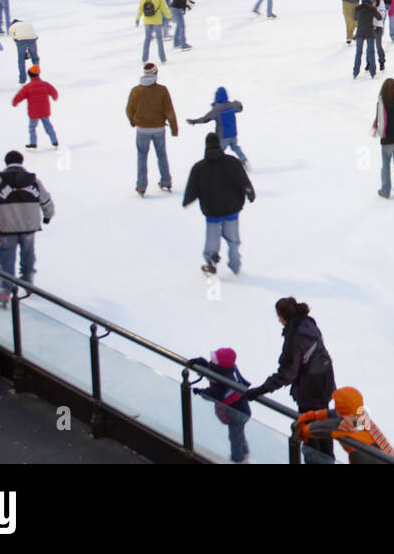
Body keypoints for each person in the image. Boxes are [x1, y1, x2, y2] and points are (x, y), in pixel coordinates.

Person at [245, 298, 338, 463]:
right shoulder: (309, 325)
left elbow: (286, 374)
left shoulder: (296, 337)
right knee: (323, 435)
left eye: (278, 316)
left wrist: (259, 390)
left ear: (283, 316)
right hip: (324, 386)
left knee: (311, 440)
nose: (278, 320)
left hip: (310, 393)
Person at [0, 150, 55, 307]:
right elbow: (46, 201)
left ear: (6, 163)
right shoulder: (34, 181)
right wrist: (47, 216)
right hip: (29, 226)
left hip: (7, 227)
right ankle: (27, 283)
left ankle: (5, 291)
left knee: (7, 258)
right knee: (28, 254)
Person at [183, 132, 256, 276]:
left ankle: (211, 260)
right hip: (232, 208)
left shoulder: (200, 167)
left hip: (212, 211)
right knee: (233, 239)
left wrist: (187, 200)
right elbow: (243, 180)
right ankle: (235, 265)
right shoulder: (233, 162)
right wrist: (249, 192)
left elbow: (192, 187)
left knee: (212, 239)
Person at [189, 348, 252, 463]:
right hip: (239, 409)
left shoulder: (226, 381)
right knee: (239, 434)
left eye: (214, 361)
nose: (210, 362)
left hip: (239, 413)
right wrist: (199, 362)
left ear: (221, 366)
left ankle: (238, 460)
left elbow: (214, 394)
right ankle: (245, 452)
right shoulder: (224, 371)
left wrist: (201, 392)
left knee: (235, 437)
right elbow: (211, 372)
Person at [126, 63, 178, 196]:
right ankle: (166, 181)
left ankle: (141, 186)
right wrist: (174, 127)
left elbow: (129, 110)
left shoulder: (136, 90)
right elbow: (169, 111)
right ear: (155, 73)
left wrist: (133, 121)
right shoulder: (162, 90)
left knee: (142, 157)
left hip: (142, 129)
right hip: (159, 128)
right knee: (161, 155)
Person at [136, 0, 171, 64]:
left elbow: (140, 8)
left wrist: (137, 18)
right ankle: (162, 58)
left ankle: (144, 59)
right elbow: (164, 9)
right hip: (157, 20)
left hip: (147, 20)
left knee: (147, 39)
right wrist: (170, 17)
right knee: (159, 39)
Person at [352, 0, 382, 79]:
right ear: (370, 1)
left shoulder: (358, 8)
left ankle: (355, 72)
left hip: (360, 32)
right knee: (371, 52)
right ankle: (372, 72)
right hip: (369, 32)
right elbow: (379, 17)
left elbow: (355, 18)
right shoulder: (372, 8)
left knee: (358, 52)